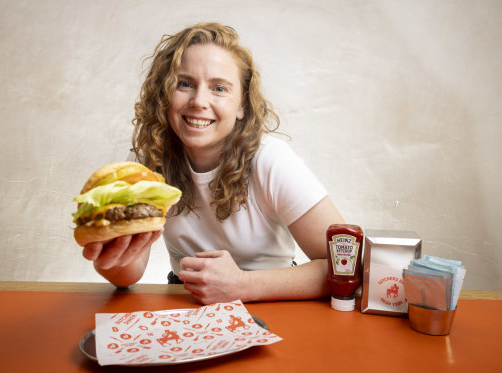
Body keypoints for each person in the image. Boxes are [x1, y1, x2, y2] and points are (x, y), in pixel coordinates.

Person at [80, 22, 346, 305]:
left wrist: (242, 286)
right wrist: (111, 253)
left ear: (242, 104)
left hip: (274, 303)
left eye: (219, 88)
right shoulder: (147, 162)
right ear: (164, 93)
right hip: (187, 303)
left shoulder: (271, 159)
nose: (199, 101)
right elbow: (128, 275)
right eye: (184, 84)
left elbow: (347, 264)